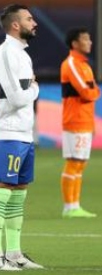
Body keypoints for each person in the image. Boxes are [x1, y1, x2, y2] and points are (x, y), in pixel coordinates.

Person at [0, 4, 44, 271]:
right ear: (16, 25)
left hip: (22, 133)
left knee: (18, 192)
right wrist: (36, 89)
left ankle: (14, 253)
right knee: (2, 188)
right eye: (29, 19)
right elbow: (18, 98)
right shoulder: (6, 53)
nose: (34, 23)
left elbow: (13, 97)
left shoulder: (21, 55)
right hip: (8, 133)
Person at [59, 27, 99, 218]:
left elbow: (93, 92)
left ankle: (75, 205)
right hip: (74, 120)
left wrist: (92, 123)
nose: (89, 42)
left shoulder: (85, 66)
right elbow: (87, 93)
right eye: (85, 39)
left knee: (81, 163)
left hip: (85, 120)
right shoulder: (71, 64)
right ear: (75, 43)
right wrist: (94, 93)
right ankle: (69, 207)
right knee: (73, 162)